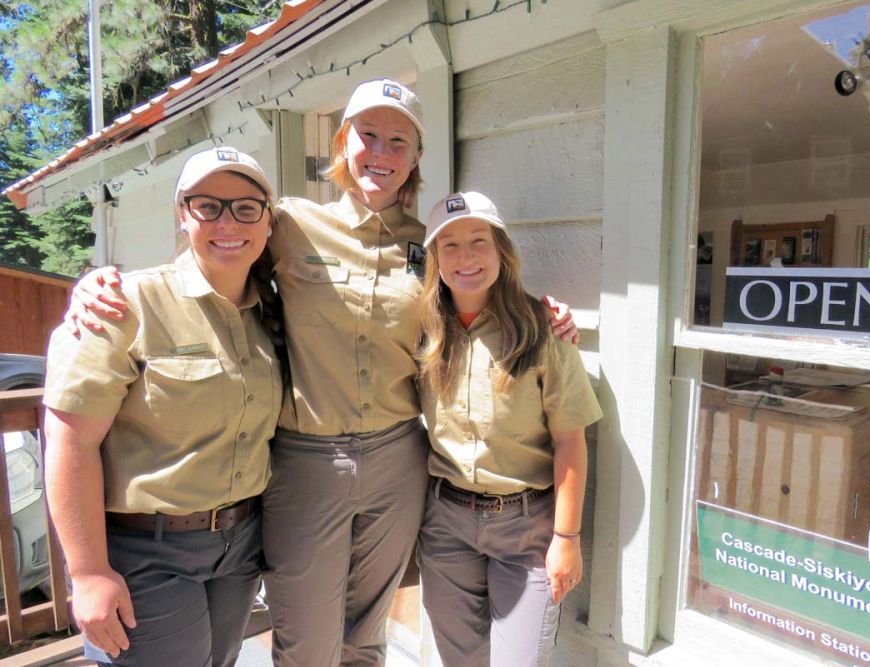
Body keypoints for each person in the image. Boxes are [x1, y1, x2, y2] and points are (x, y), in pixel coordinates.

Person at [63, 79, 578, 666]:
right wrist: (100, 280)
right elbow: (217, 249)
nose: (380, 153)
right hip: (307, 460)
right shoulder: (290, 224)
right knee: (305, 632)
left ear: (415, 158)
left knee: (365, 627)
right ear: (343, 143)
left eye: (398, 142)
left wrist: (544, 311)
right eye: (368, 136)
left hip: (397, 457)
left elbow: (477, 286)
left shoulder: (431, 244)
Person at [43, 146, 283, 667]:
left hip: (238, 547)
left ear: (268, 221)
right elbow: (68, 439)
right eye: (208, 206)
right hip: (146, 553)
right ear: (182, 214)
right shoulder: (125, 305)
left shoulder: (272, 314)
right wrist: (87, 574)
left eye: (246, 207)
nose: (228, 221)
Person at [415, 191, 602, 666]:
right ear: (434, 259)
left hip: (526, 528)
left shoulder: (543, 330)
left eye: (479, 240)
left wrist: (567, 539)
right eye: (450, 245)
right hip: (446, 525)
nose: (467, 257)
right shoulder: (423, 332)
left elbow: (570, 440)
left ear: (501, 250)